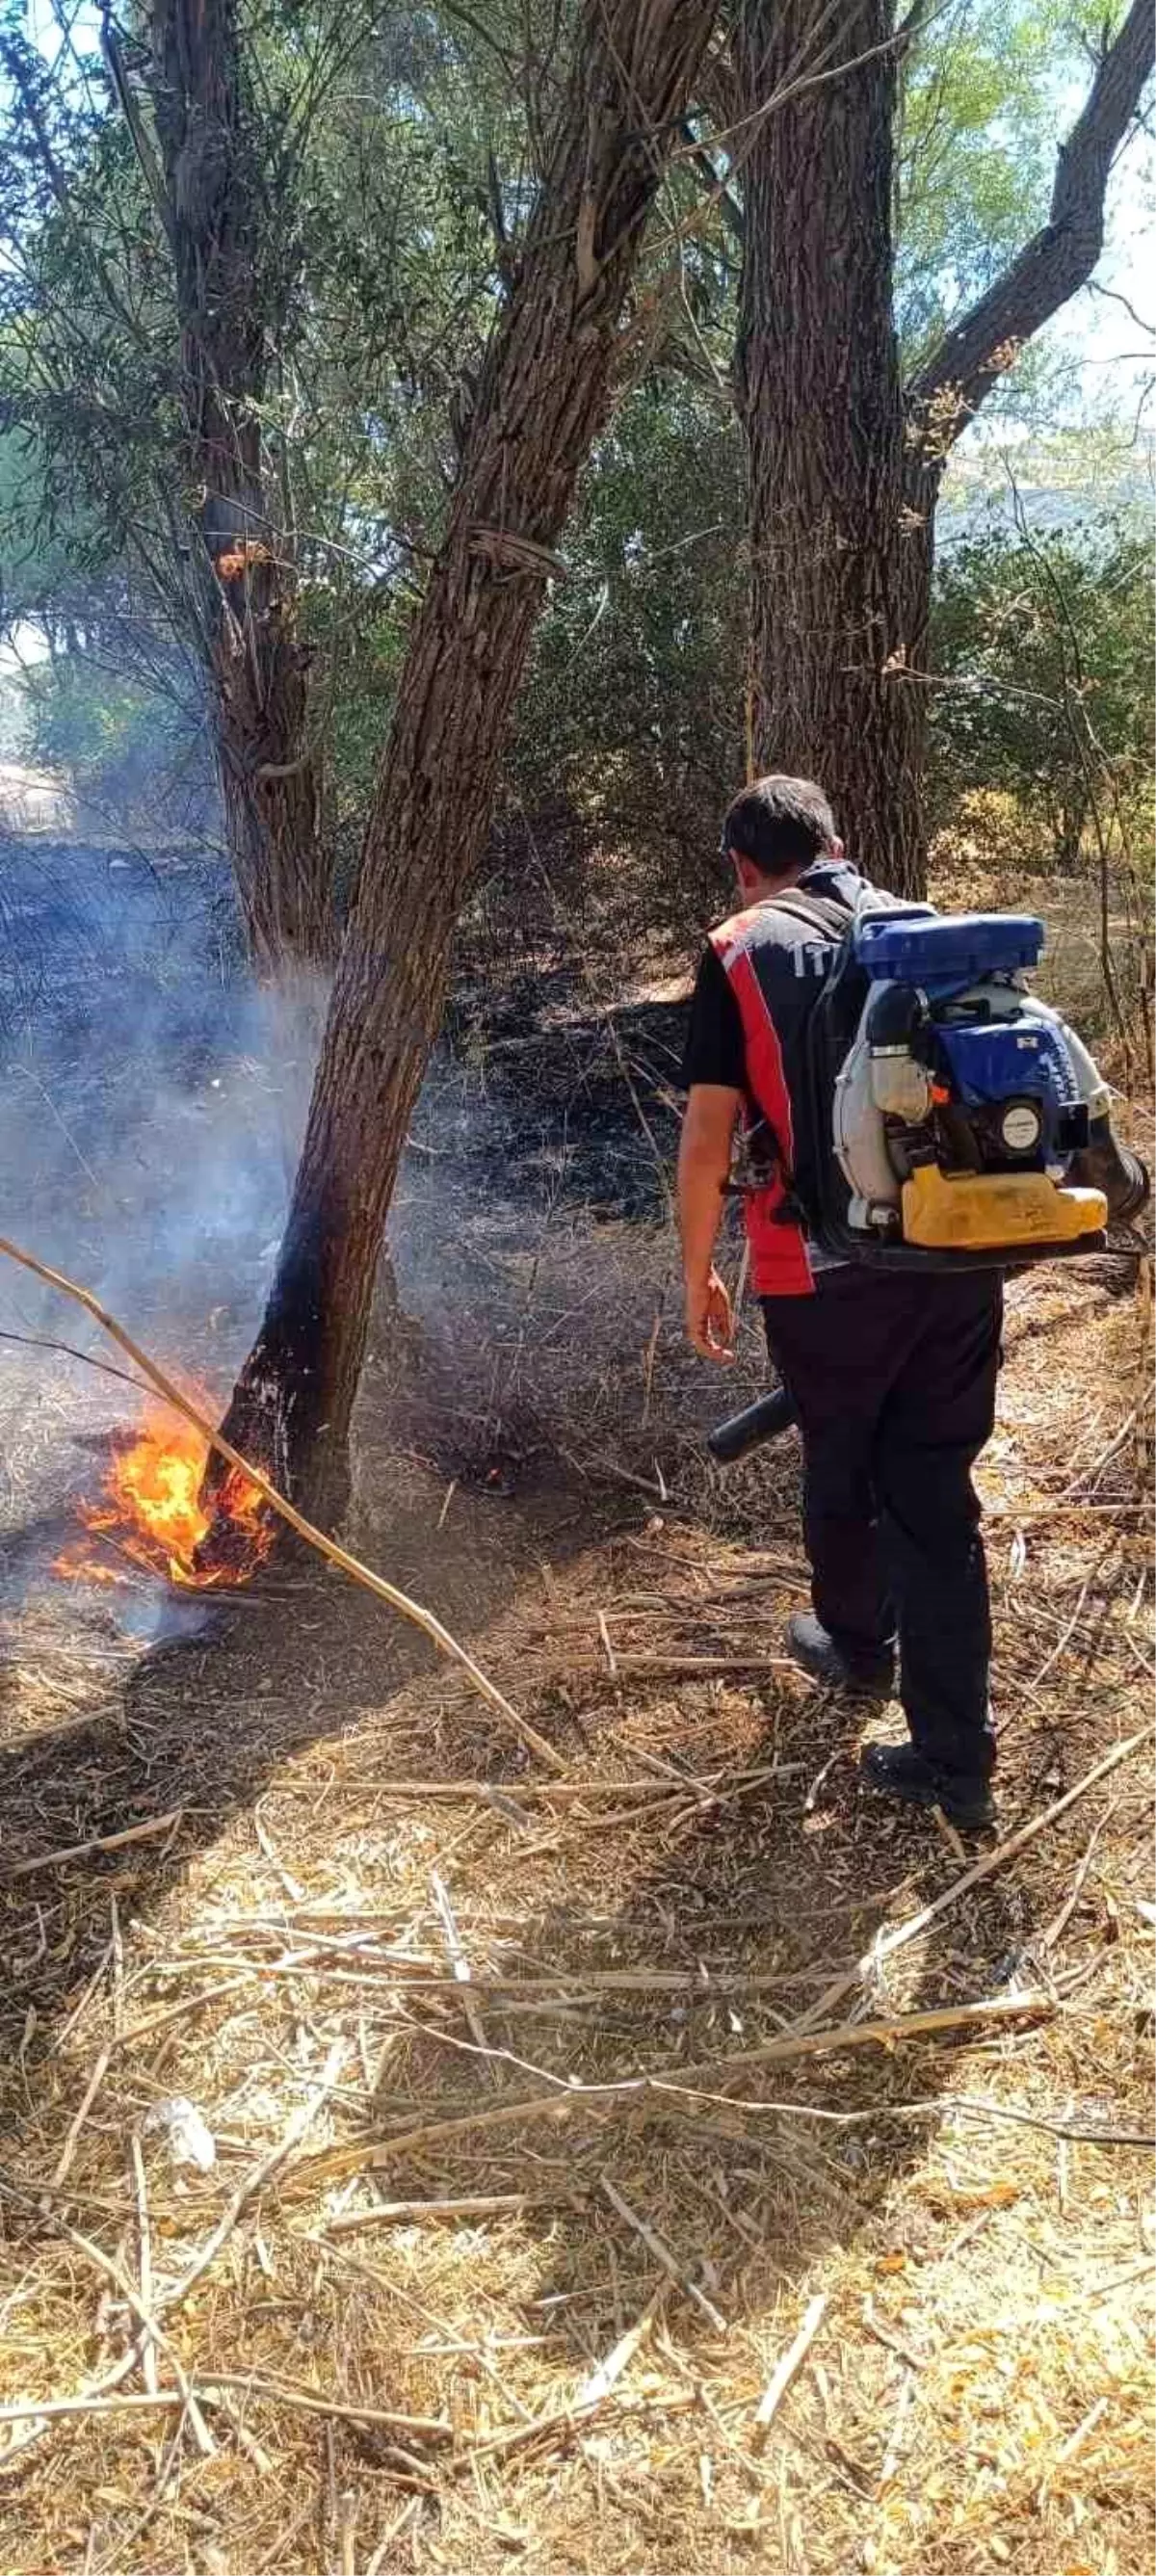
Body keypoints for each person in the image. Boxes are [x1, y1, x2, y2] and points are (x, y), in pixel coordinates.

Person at [677, 773, 1006, 1831]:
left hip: (820, 1270)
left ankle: (859, 1648)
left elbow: (707, 1134)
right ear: (838, 840)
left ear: (743, 864)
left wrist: (698, 1271)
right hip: (957, 1250)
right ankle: (956, 1756)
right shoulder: (925, 927)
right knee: (936, 1488)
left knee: (842, 1458)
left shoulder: (737, 948)